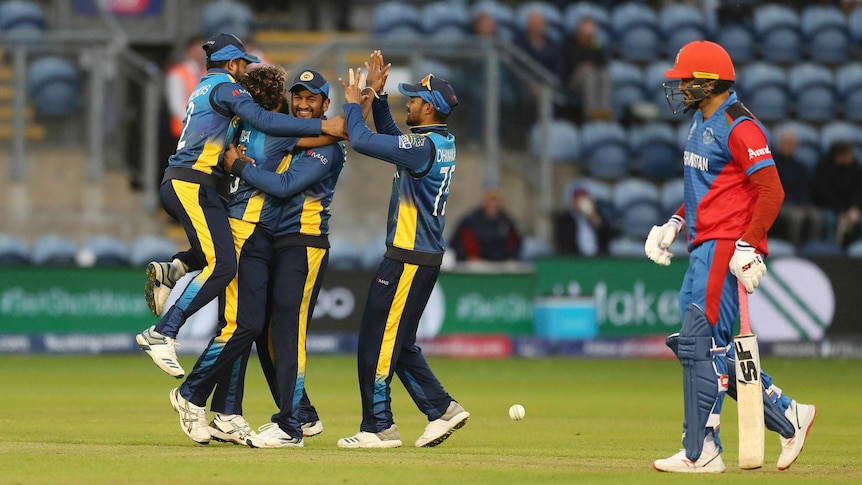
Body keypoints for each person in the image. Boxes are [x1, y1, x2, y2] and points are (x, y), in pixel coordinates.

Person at [644, 40, 816, 473]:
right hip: (703, 244)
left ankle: (701, 451)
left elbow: (771, 190)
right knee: (706, 349)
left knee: (699, 343)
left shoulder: (740, 126)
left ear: (708, 83)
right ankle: (788, 414)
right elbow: (711, 190)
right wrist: (675, 224)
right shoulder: (703, 120)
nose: (679, 87)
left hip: (724, 246)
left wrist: (748, 244)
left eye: (686, 80)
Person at [163, 66, 357, 446]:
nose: (302, 104)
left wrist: (235, 164)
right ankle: (268, 413)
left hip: (299, 242)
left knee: (261, 328)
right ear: (284, 99)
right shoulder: (282, 131)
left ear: (323, 102)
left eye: (310, 98)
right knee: (251, 327)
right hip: (259, 236)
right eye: (297, 97)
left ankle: (279, 417)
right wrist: (355, 111)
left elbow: (285, 185)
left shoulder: (261, 133)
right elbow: (334, 132)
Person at [136, 33, 345, 380]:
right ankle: (163, 333)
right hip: (191, 182)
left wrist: (337, 129)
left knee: (221, 244)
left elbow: (261, 132)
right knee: (223, 265)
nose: (247, 72)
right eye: (244, 64)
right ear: (232, 64)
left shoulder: (206, 88)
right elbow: (267, 123)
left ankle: (173, 270)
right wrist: (327, 124)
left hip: (191, 182)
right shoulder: (227, 87)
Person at [335, 51, 470, 449]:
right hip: (419, 256)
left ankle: (379, 426)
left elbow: (361, 140)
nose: (407, 102)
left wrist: (355, 100)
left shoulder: (422, 148)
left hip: (407, 258)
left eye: (412, 99)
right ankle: (442, 409)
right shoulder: (439, 141)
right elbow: (395, 136)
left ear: (428, 108)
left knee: (377, 343)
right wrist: (377, 99)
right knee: (400, 343)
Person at [771, 128, 824, 248]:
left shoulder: (801, 166)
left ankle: (812, 249)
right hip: (781, 203)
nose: (789, 147)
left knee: (817, 216)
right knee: (797, 217)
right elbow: (775, 189)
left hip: (800, 203)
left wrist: (802, 204)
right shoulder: (773, 165)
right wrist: (794, 205)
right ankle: (794, 249)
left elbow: (805, 188)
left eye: (792, 144)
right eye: (786, 144)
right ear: (780, 145)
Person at [559, 16, 612, 122]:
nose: (588, 37)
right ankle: (590, 113)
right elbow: (573, 64)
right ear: (579, 31)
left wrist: (590, 64)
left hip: (591, 75)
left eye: (590, 35)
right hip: (572, 81)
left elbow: (602, 63)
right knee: (589, 74)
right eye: (586, 35)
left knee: (604, 74)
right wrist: (586, 66)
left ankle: (603, 111)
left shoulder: (593, 44)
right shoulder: (569, 43)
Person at [811, 140, 862, 248]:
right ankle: (832, 251)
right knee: (830, 220)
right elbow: (823, 194)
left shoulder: (854, 166)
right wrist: (840, 211)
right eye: (848, 154)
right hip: (828, 207)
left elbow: (858, 190)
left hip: (849, 209)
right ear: (839, 155)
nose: (851, 156)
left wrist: (855, 208)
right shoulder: (824, 167)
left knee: (858, 221)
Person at [449, 188, 522, 262]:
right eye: (490, 201)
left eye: (495, 201)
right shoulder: (471, 221)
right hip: (474, 263)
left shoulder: (506, 221)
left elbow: (514, 243)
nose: (493, 204)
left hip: (501, 262)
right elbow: (462, 243)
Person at [552, 187, 617, 256]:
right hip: (575, 259)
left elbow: (608, 238)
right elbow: (564, 242)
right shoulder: (565, 219)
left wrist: (594, 219)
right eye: (578, 200)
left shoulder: (598, 216)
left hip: (598, 259)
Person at [165, 36, 207, 143]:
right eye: (197, 50)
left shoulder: (206, 73)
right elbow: (176, 104)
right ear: (189, 51)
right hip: (183, 131)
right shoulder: (177, 73)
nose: (200, 54)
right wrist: (195, 123)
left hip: (204, 133)